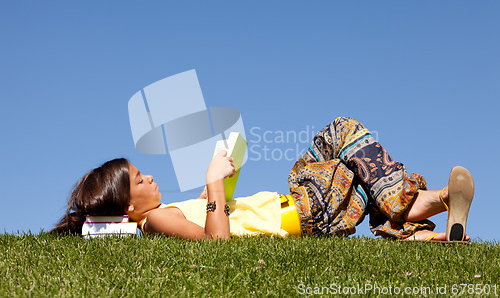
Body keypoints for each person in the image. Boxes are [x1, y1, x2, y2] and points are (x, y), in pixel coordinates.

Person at [51, 117, 474, 242]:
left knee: (346, 155)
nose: (151, 178)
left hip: (302, 205)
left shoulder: (166, 213)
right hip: (304, 216)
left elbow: (213, 219)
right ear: (127, 207)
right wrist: (214, 184)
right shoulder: (154, 223)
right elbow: (216, 243)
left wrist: (214, 191)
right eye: (140, 180)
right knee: (345, 137)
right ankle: (418, 205)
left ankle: (415, 218)